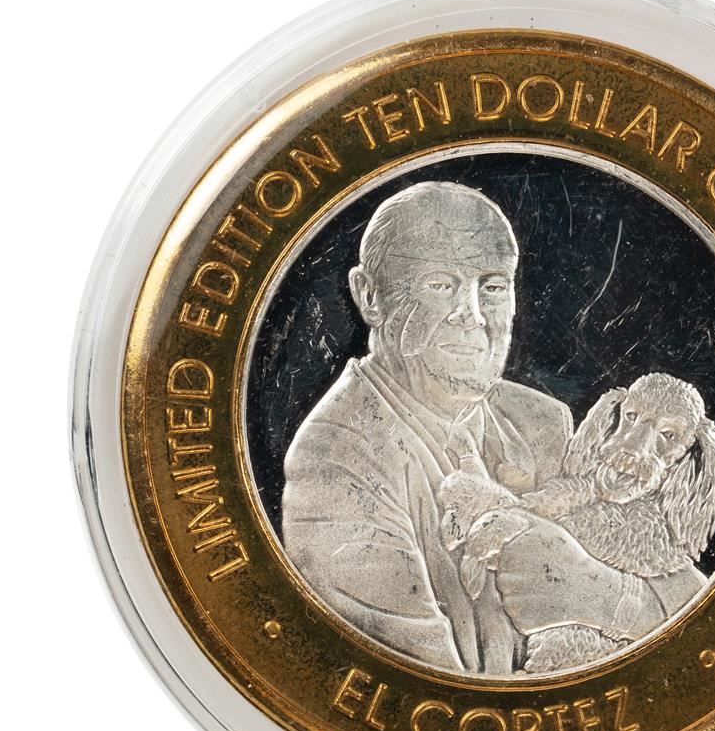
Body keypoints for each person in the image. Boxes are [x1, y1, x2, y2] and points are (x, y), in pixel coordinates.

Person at [282, 181, 668, 675]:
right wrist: (615, 605)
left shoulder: (544, 422)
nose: (473, 315)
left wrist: (607, 596)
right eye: (441, 284)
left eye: (493, 287)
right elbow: (422, 691)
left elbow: (677, 584)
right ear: (369, 296)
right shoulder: (333, 459)